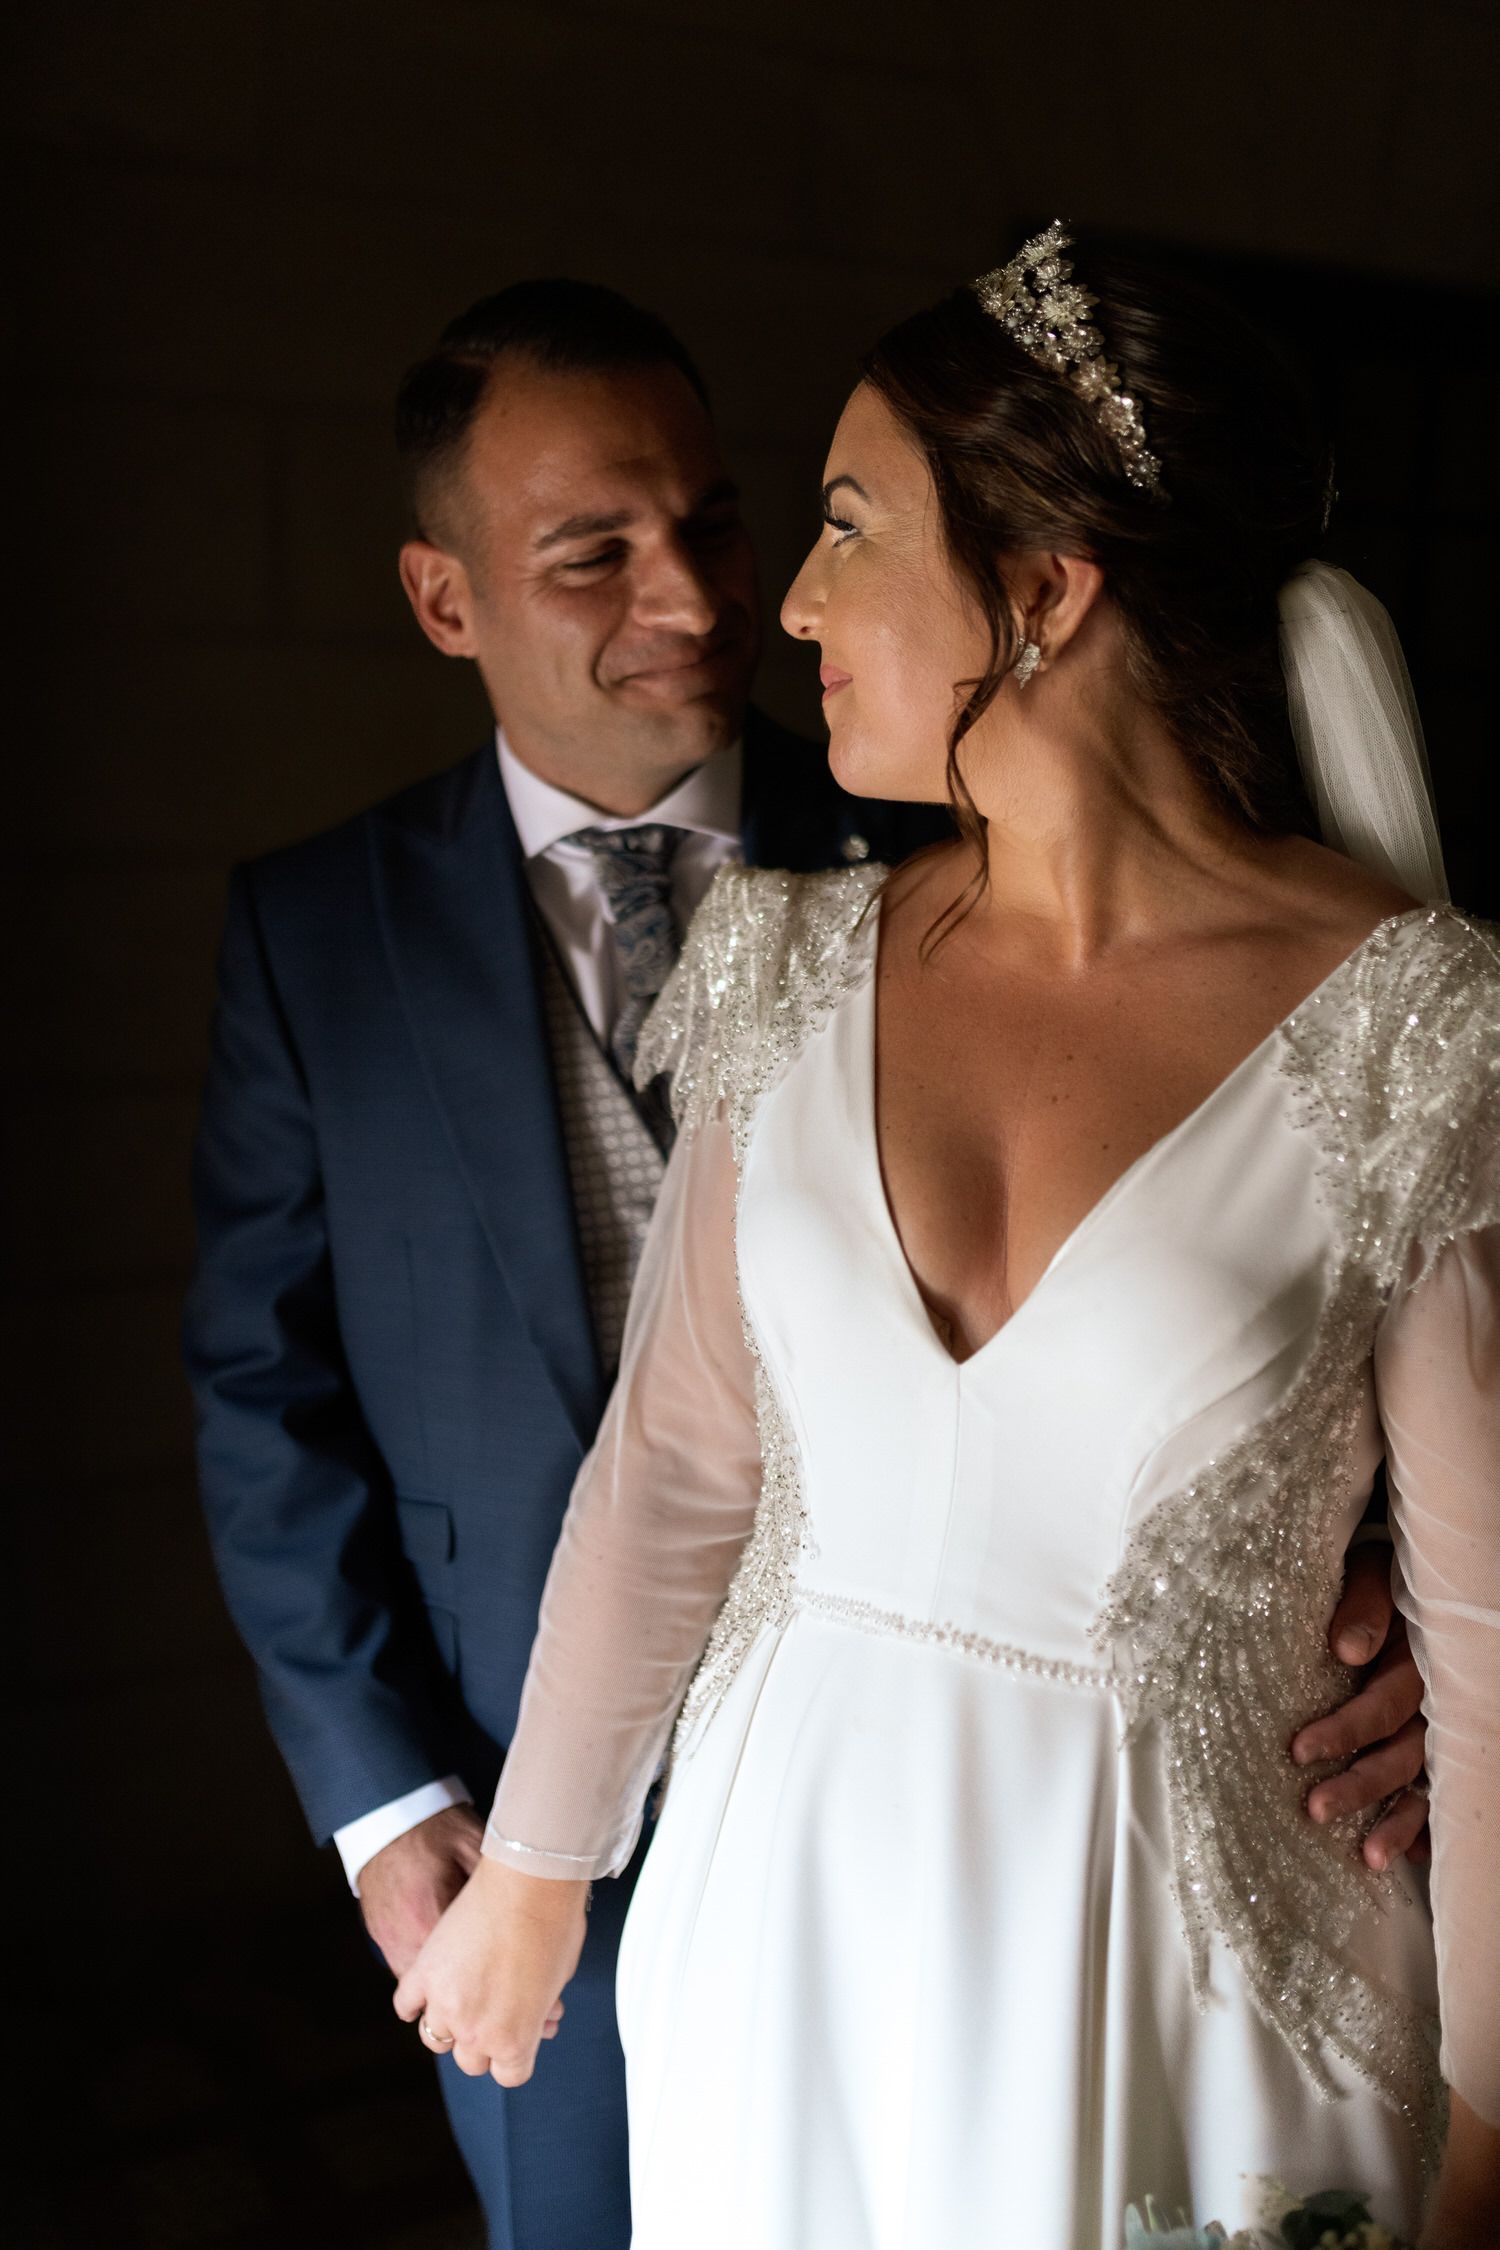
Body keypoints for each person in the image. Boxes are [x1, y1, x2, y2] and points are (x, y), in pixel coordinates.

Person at [393, 231, 1499, 2247]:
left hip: (1180, 1980)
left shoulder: (1420, 1033)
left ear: (1046, 592)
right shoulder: (786, 959)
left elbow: (1491, 1641)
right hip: (781, 1924)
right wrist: (542, 1873)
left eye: (843, 527)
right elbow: (675, 1465)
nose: (788, 603)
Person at [183, 279, 944, 2250]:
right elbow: (262, 1393)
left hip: (907, 1759)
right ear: (449, 603)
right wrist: (383, 1806)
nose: (688, 594)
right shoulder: (311, 933)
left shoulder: (935, 861)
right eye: (593, 552)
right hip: (524, 1804)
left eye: (710, 521)